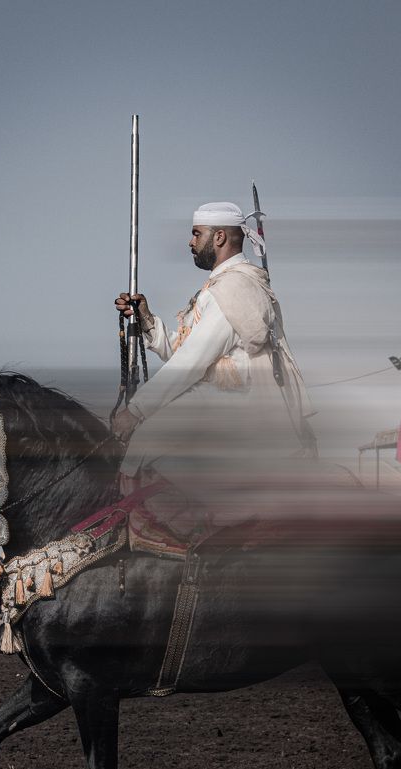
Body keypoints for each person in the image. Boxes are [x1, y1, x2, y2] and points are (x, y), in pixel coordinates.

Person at [112, 201, 319, 544]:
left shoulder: (234, 289)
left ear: (219, 237)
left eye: (196, 234)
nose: (190, 242)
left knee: (146, 437)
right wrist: (147, 321)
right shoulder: (221, 286)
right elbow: (185, 353)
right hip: (222, 398)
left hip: (242, 406)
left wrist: (135, 411)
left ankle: (182, 536)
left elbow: (191, 362)